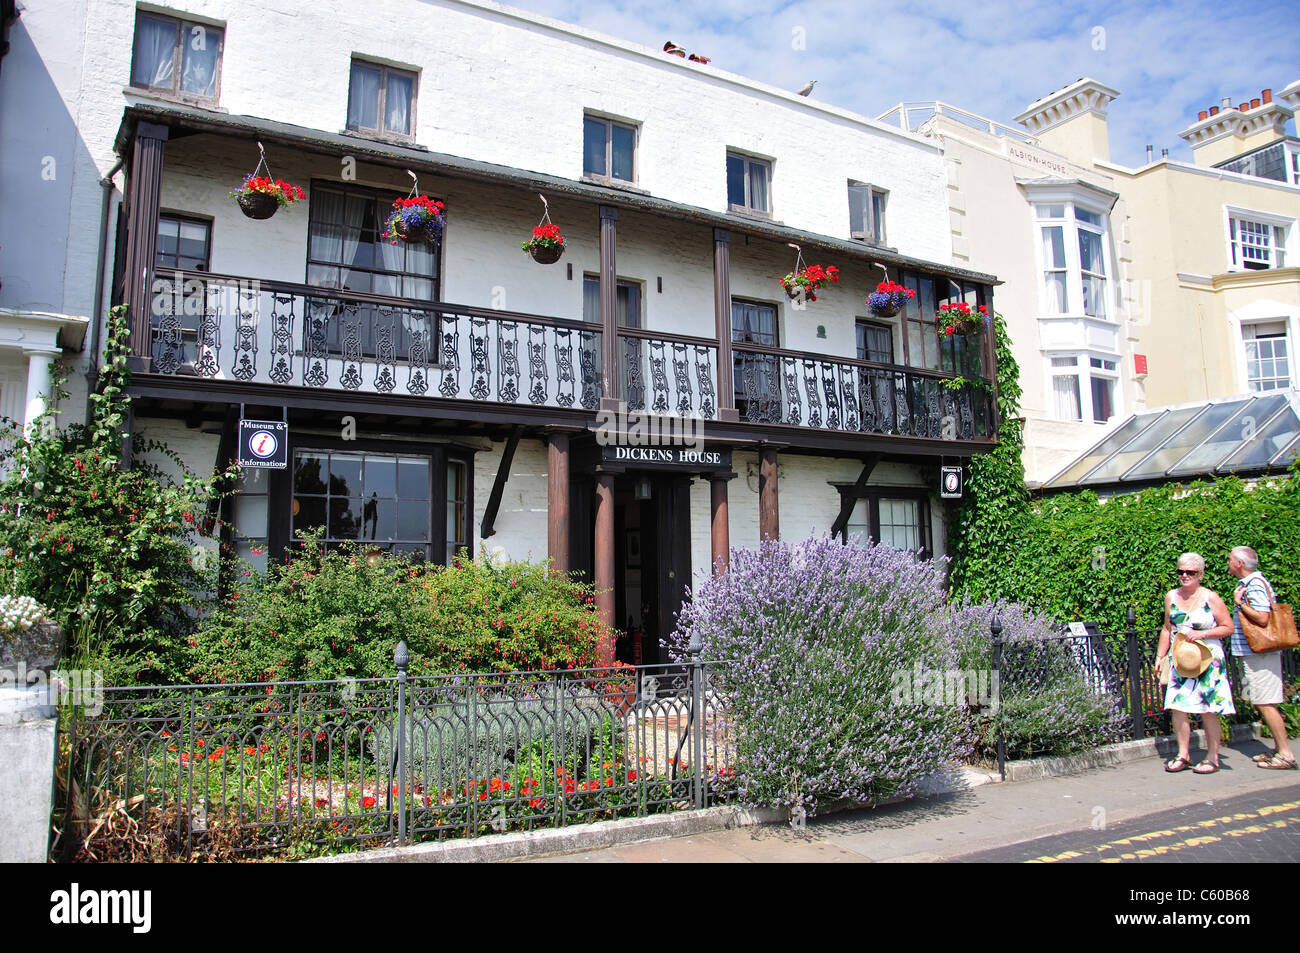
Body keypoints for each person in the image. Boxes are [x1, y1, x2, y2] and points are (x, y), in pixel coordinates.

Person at [1155, 552, 1235, 774]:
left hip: (1207, 660)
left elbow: (1228, 627)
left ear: (1200, 574)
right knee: (1178, 706)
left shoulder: (1211, 598)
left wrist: (1203, 634)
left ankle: (1212, 757)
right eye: (1181, 571)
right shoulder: (1171, 596)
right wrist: (1160, 657)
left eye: (1190, 572)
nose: (1184, 576)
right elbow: (1167, 629)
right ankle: (1183, 754)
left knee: (1207, 709)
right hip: (1181, 659)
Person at [1227, 546, 1296, 770]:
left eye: (1230, 560)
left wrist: (1240, 604)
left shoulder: (1254, 584)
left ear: (1239, 563)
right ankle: (1277, 748)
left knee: (1265, 702)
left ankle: (1285, 754)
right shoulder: (1251, 583)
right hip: (1255, 654)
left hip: (1260, 653)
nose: (1227, 563)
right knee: (1261, 701)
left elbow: (1263, 617)